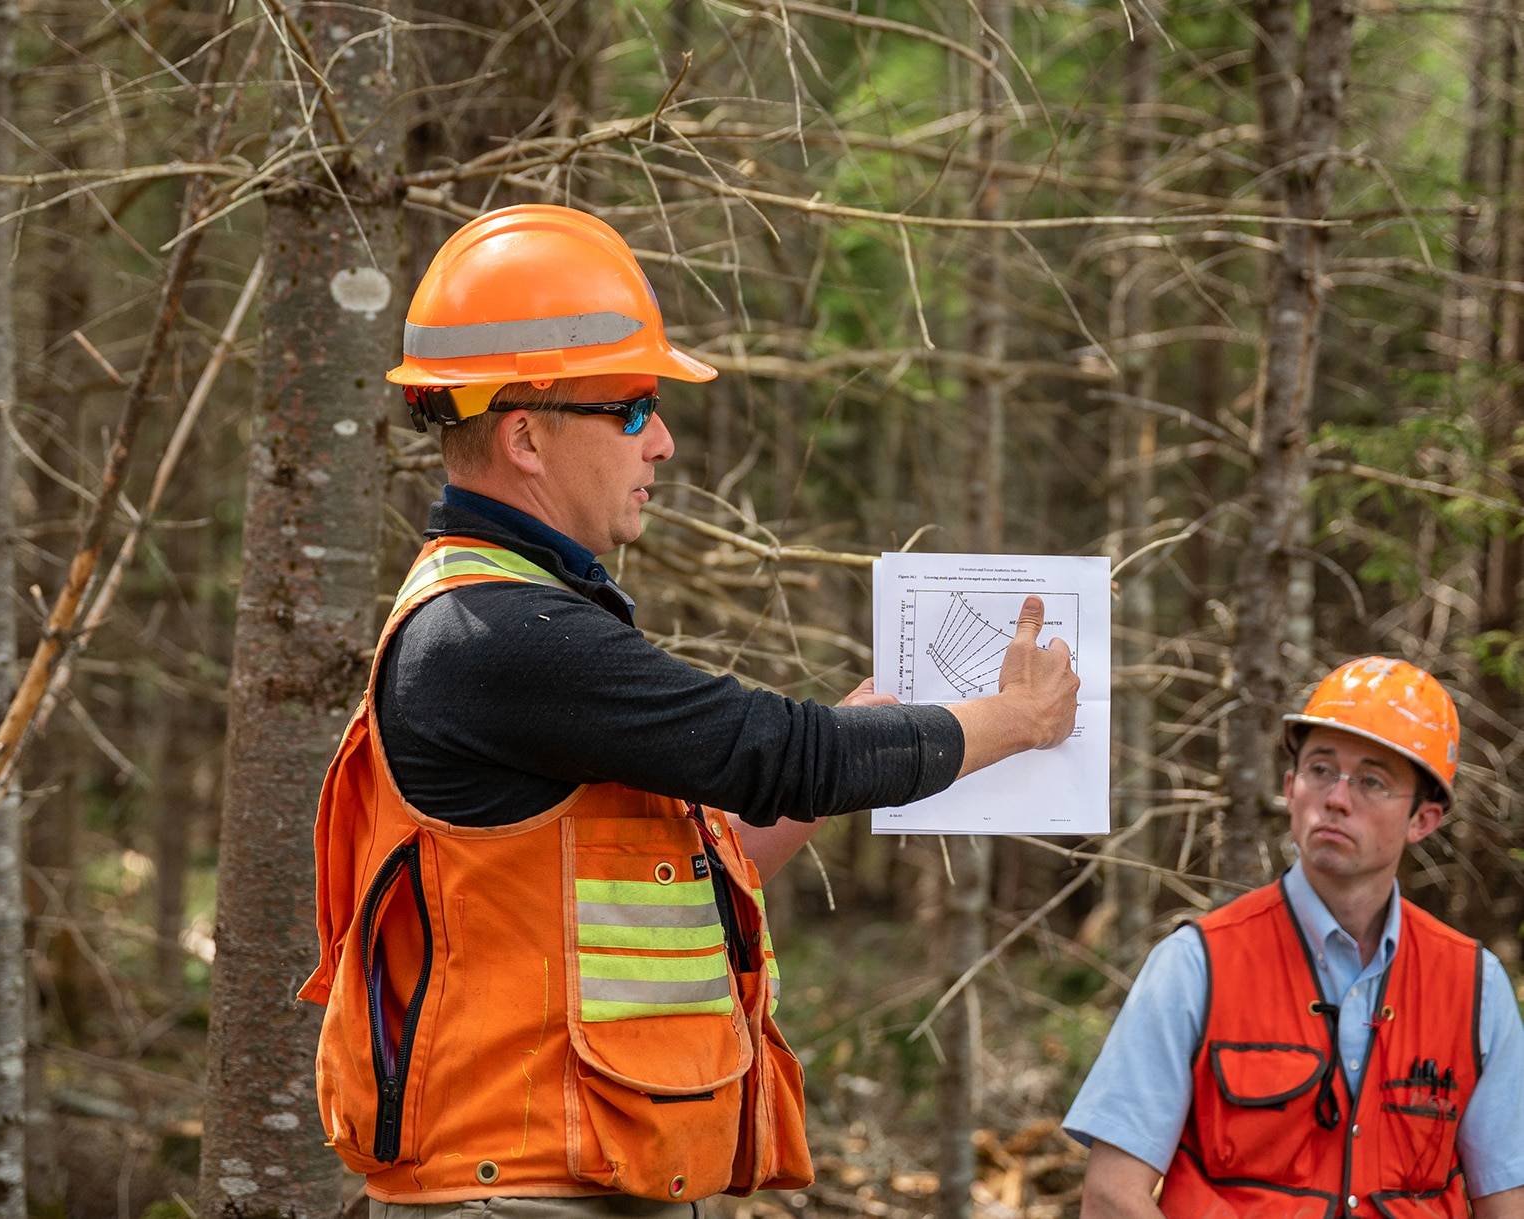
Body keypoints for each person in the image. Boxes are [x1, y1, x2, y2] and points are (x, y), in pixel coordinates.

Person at [295, 203, 1079, 1217]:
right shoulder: (498, 636)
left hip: (577, 1181)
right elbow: (776, 751)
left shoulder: (522, 627)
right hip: (523, 1193)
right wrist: (1011, 722)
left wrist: (856, 729)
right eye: (630, 406)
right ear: (527, 436)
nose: (660, 441)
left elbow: (709, 860)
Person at [1066, 656, 1524, 1218]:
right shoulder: (1197, 966)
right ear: (1290, 787)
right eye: (1321, 770)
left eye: (1372, 781)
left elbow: (1506, 1202)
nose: (1336, 797)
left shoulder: (1474, 987)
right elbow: (1111, 1198)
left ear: (1422, 820)